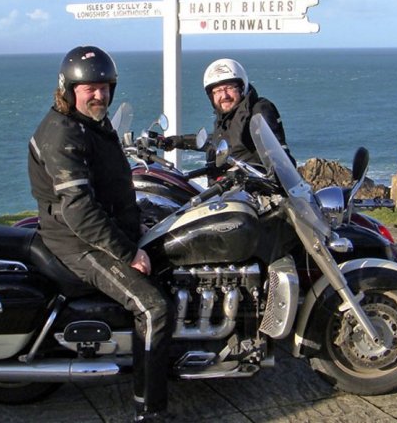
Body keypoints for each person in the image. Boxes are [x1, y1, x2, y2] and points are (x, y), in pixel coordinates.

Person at [27, 46, 171, 422]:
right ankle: (149, 410)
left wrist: (137, 221)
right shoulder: (63, 133)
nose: (100, 94)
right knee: (153, 307)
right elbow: (78, 208)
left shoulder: (91, 122)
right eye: (89, 87)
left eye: (105, 86)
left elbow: (110, 186)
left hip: (98, 231)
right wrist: (128, 252)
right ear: (69, 88)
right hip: (77, 243)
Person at [165, 58, 294, 180]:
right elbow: (217, 142)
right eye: (217, 91)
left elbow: (277, 153)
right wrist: (176, 141)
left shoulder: (259, 110)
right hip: (226, 192)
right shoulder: (225, 119)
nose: (224, 95)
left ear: (242, 87)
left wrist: (275, 172)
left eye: (229, 88)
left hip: (255, 194)